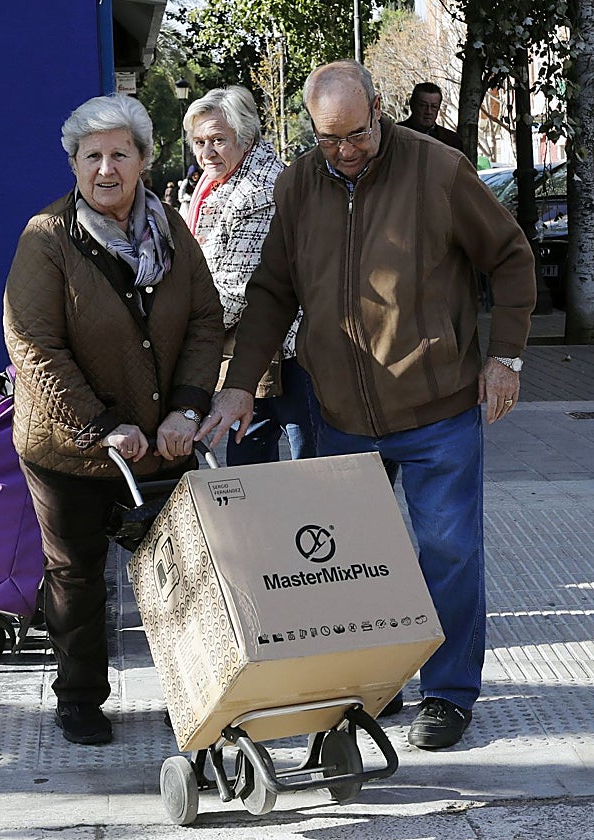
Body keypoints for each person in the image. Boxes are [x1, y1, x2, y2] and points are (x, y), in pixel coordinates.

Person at [196, 61, 535, 750]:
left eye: (357, 133)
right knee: (351, 564)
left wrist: (505, 356)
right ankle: (369, 690)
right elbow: (270, 293)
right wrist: (239, 383)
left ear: (378, 109)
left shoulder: (439, 171)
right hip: (342, 414)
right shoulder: (297, 184)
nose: (346, 151)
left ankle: (446, 694)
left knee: (448, 552)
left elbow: (509, 255)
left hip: (437, 407)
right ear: (310, 129)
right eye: (329, 139)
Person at [4, 94, 223, 745]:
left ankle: (191, 690)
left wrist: (188, 404)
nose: (106, 168)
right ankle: (78, 699)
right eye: (91, 156)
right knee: (75, 573)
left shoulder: (172, 230)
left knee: (182, 575)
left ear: (144, 161)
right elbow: (32, 345)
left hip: (163, 442)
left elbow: (206, 319)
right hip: (70, 448)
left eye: (119, 154)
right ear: (73, 165)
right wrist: (101, 426)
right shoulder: (47, 239)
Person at [182, 85, 317, 466]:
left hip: (290, 353)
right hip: (254, 354)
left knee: (312, 469)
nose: (206, 153)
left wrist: (183, 330)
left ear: (245, 137)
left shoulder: (257, 190)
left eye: (217, 140)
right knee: (251, 463)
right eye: (199, 142)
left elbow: (237, 289)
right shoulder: (219, 184)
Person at [397, 82, 463, 152]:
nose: (428, 111)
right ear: (412, 105)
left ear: (439, 108)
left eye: (434, 107)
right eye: (423, 105)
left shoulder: (451, 140)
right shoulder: (396, 134)